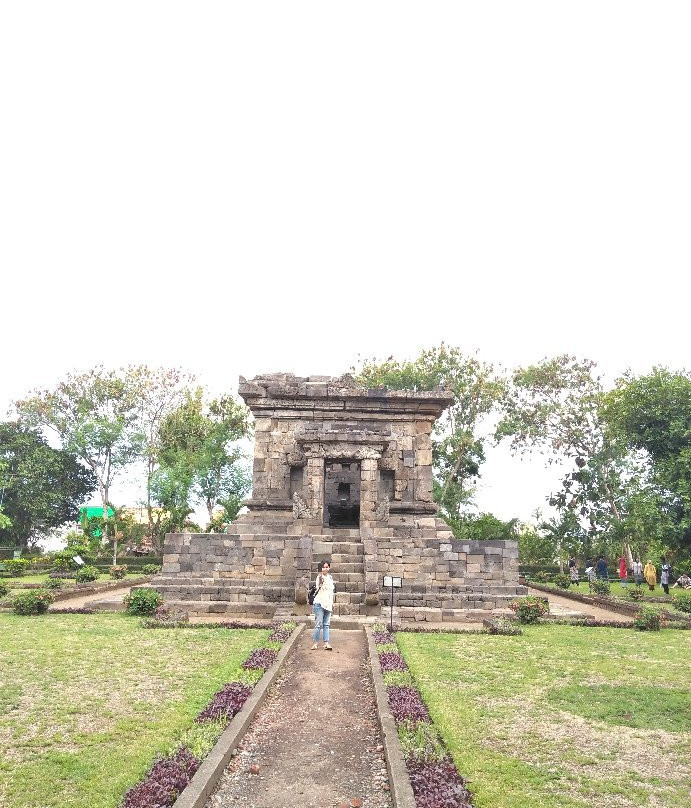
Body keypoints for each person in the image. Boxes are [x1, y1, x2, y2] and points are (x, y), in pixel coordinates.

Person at [311, 560, 335, 651]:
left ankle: (326, 643)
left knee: (326, 624)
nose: (325, 568)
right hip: (319, 603)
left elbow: (331, 592)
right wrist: (321, 575)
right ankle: (315, 643)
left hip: (328, 604)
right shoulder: (319, 577)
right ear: (321, 568)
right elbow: (319, 586)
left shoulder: (330, 578)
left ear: (329, 567)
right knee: (318, 624)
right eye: (323, 567)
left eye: (327, 567)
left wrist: (331, 603)